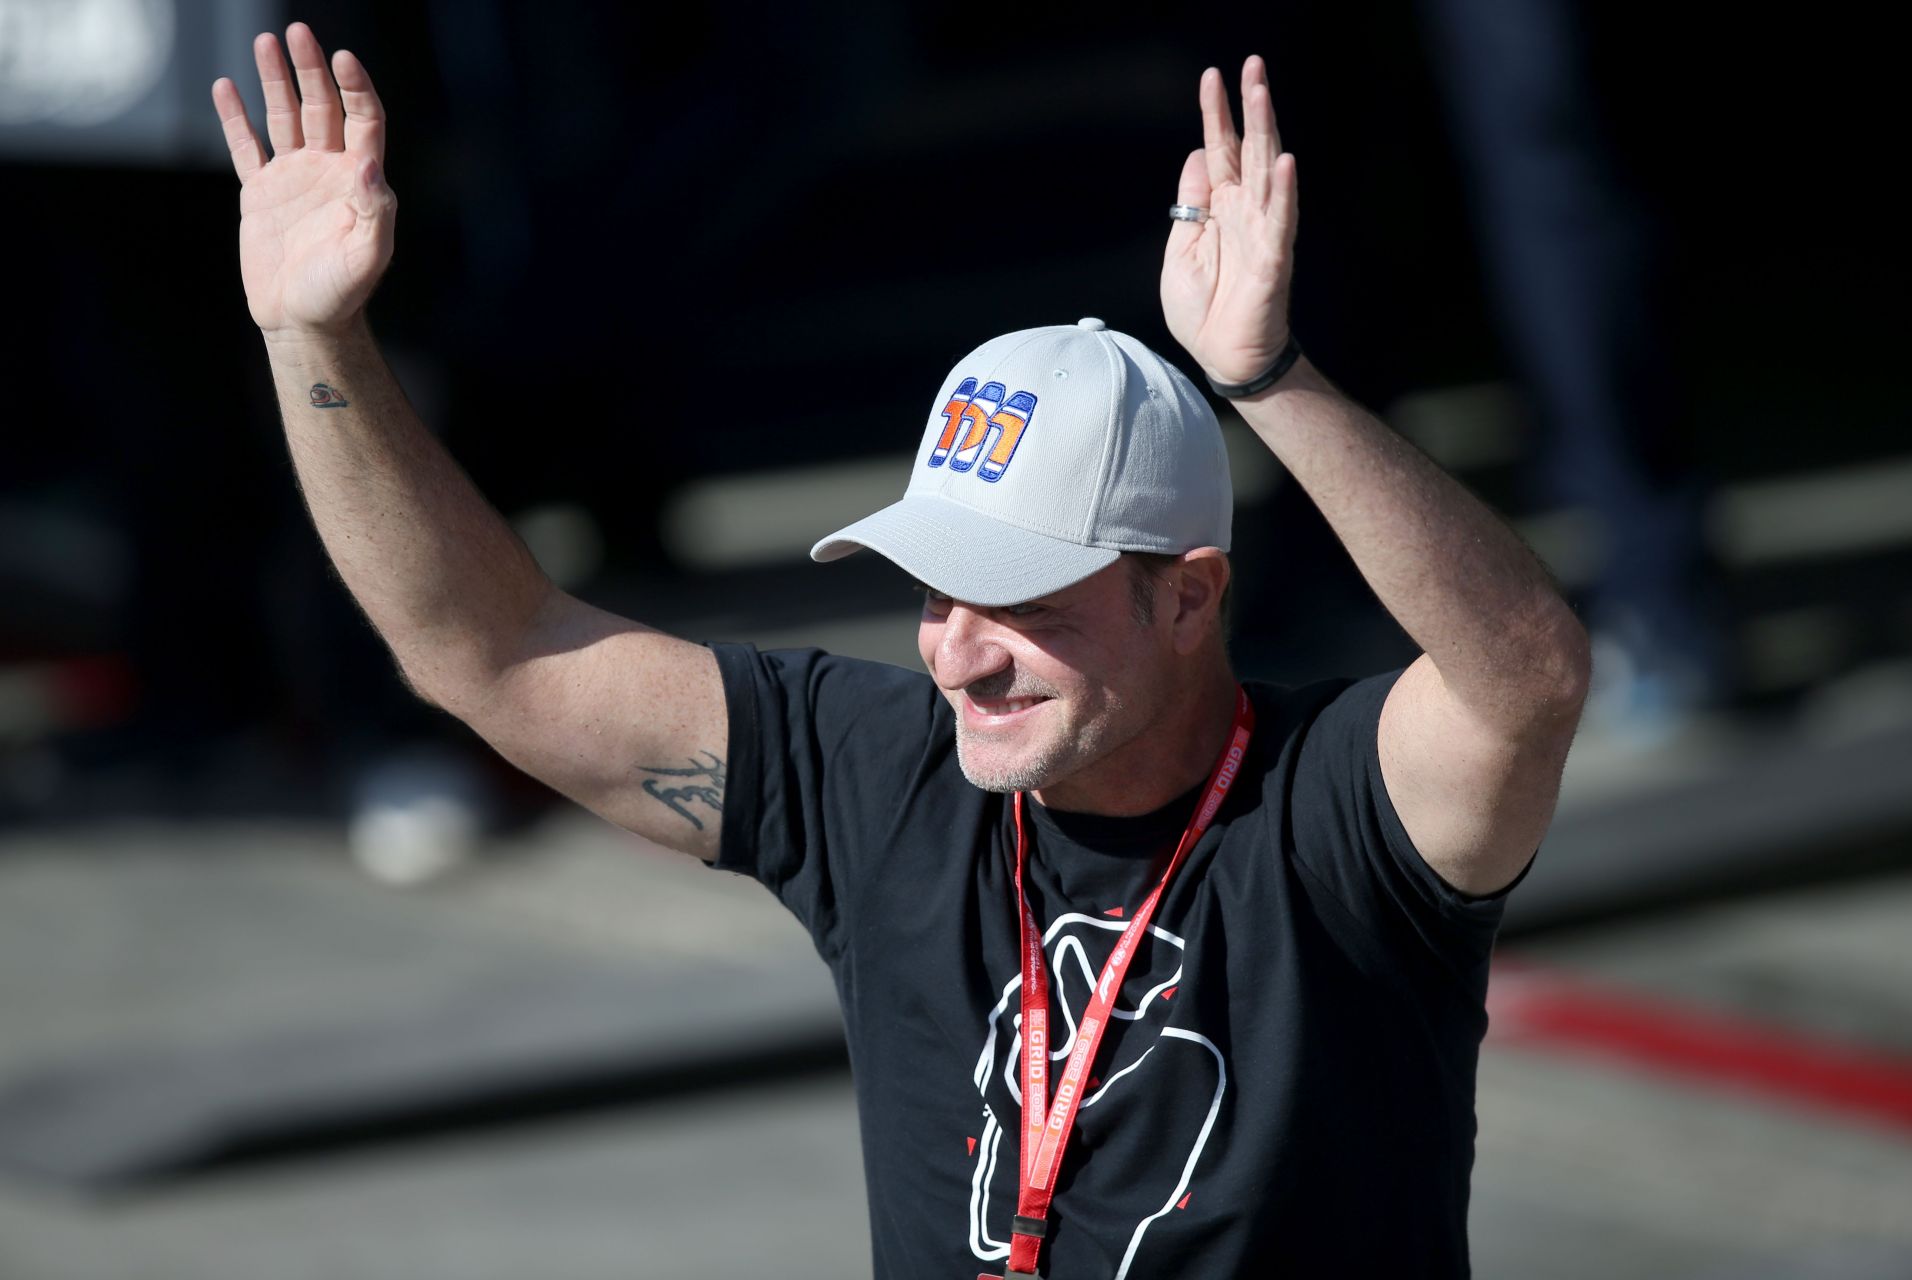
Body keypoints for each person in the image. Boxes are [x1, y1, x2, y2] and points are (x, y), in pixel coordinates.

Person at [214, 24, 1590, 1278]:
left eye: (1024, 601)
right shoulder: (878, 777)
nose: (959, 657)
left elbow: (1523, 676)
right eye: (935, 591)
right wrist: (316, 340)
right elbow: (492, 653)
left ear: (1189, 598)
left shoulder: (1335, 816)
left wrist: (1269, 384)